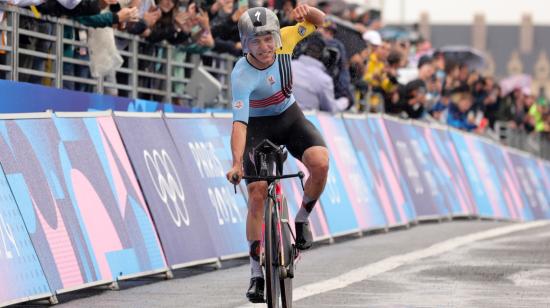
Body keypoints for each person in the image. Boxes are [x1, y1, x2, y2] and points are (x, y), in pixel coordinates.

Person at [225, 4, 328, 303]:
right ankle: (256, 272)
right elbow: (240, 125)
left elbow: (321, 23)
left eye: (268, 38)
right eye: (256, 41)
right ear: (246, 44)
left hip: (289, 117)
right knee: (257, 191)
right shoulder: (241, 74)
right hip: (256, 127)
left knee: (320, 164)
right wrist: (236, 163)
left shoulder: (287, 38)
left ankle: (302, 217)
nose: (265, 46)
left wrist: (310, 11)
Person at [292, 33, 348, 112]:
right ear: (325, 55)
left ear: (304, 49)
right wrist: (345, 101)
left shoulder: (287, 66)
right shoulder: (324, 80)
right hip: (304, 122)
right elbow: (331, 109)